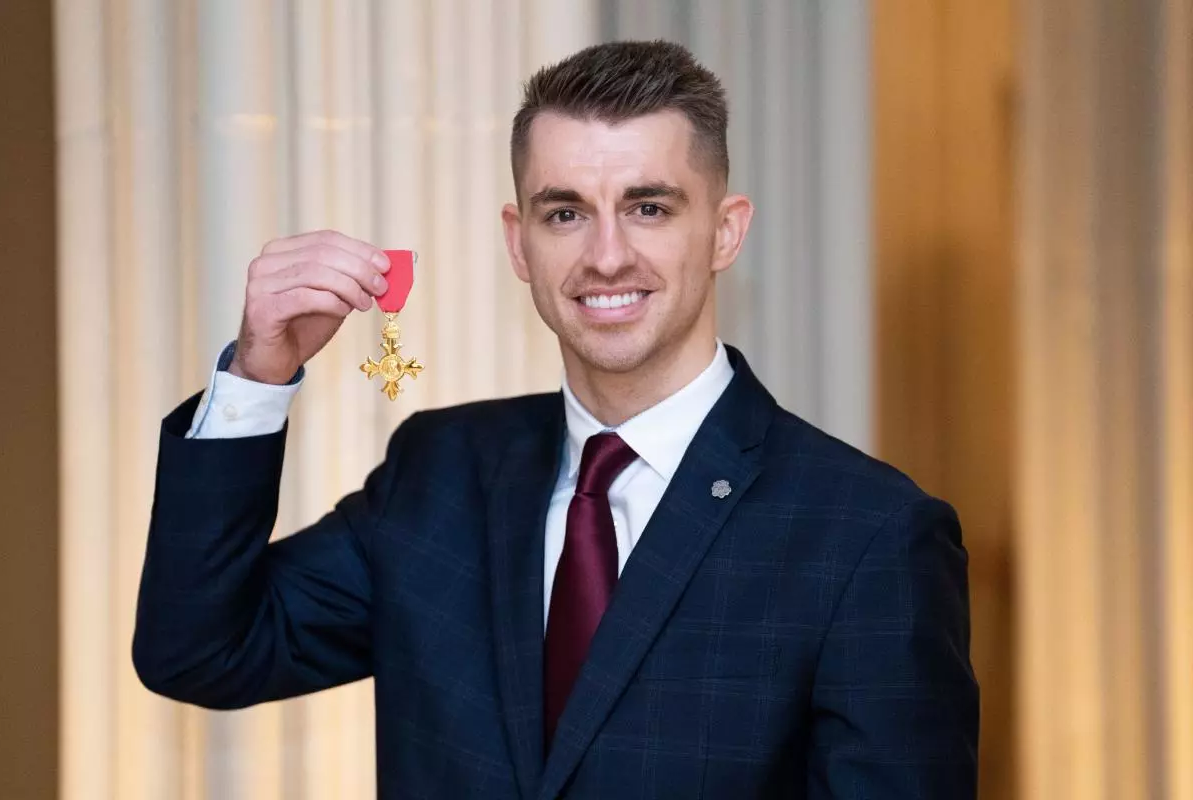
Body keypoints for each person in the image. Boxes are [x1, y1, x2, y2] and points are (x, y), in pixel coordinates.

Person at [133, 40, 978, 799]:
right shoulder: (440, 470)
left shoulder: (868, 534)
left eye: (649, 206)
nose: (606, 254)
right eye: (565, 212)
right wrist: (259, 373)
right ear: (518, 244)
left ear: (725, 232)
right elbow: (203, 648)